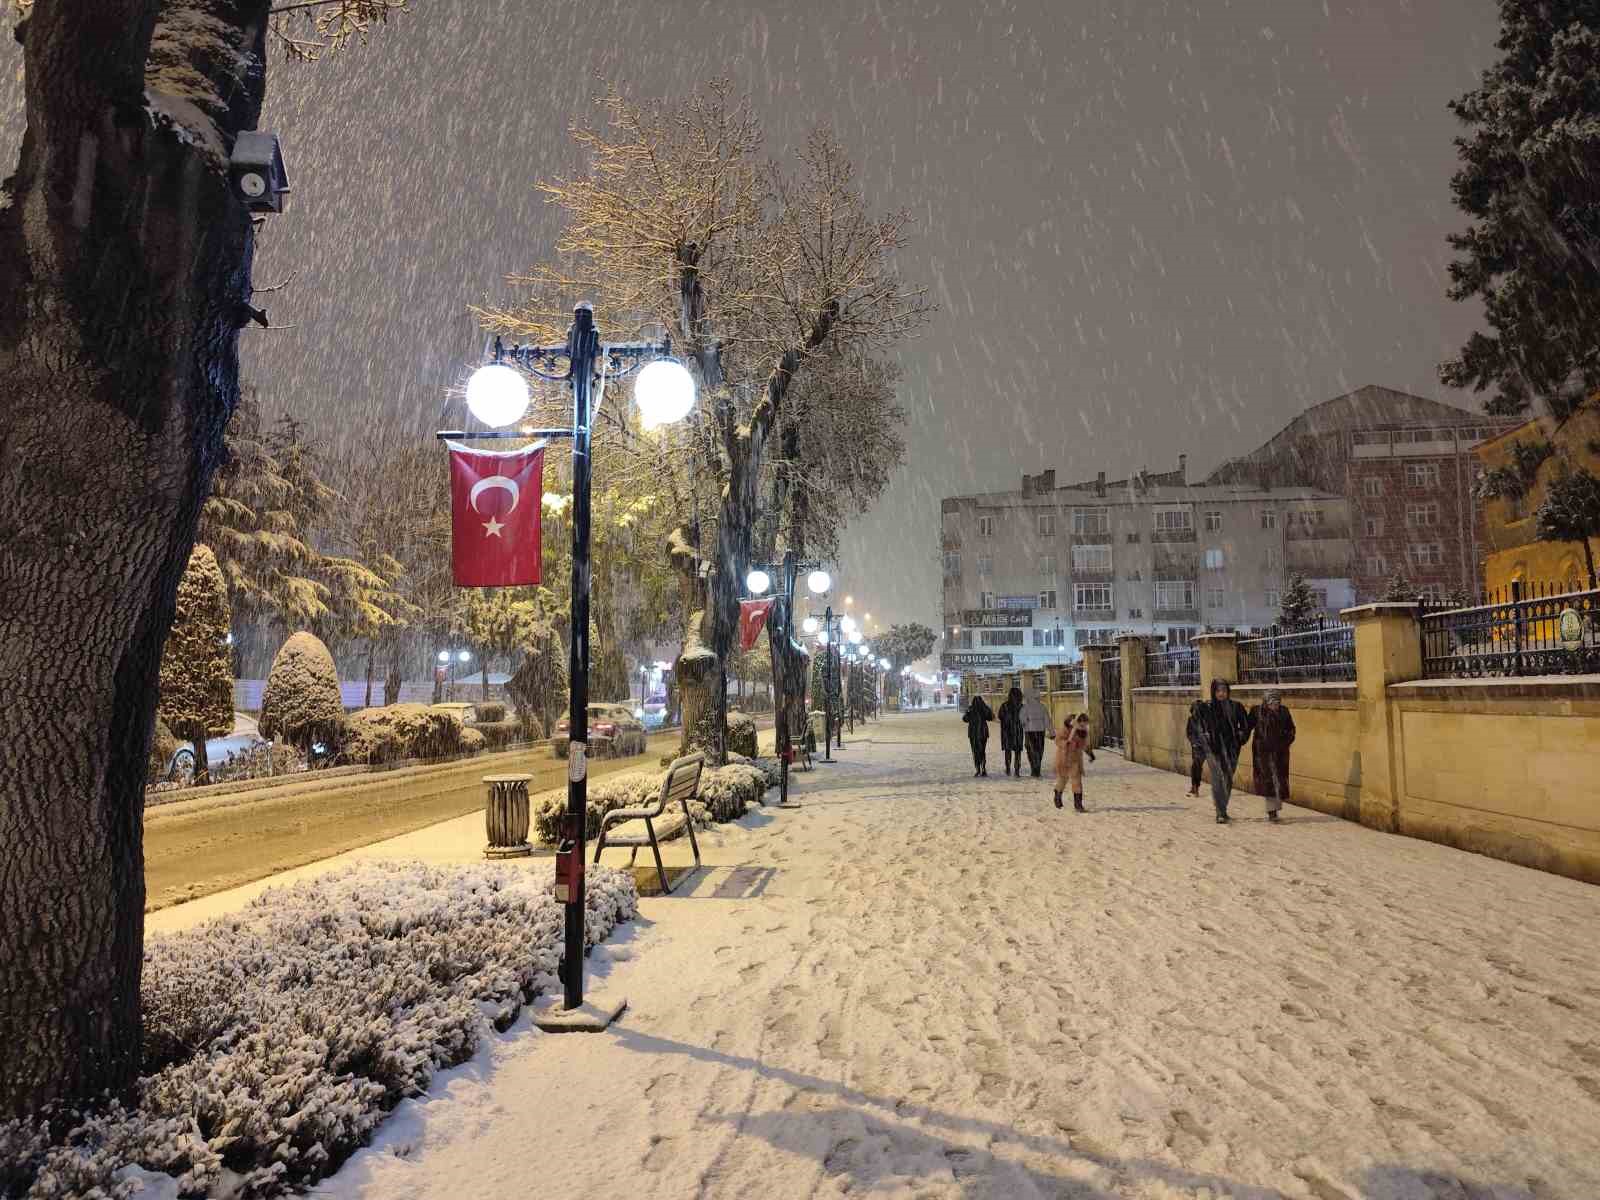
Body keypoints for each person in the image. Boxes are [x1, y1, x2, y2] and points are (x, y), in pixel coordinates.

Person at [1196, 678, 1253, 824]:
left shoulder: (1236, 707)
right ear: (1213, 692)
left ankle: (1223, 809)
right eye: (1218, 691)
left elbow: (1245, 726)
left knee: (1227, 779)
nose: (1221, 694)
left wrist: (1240, 737)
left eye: (1224, 691)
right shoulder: (1206, 708)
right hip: (1213, 750)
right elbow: (1198, 726)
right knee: (1217, 779)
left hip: (1231, 749)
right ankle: (1220, 812)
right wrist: (1205, 739)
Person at [1249, 690, 1296, 823]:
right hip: (1263, 753)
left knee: (1278, 780)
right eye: (1272, 703)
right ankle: (1272, 812)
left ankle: (1274, 810)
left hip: (1280, 752)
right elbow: (1247, 726)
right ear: (1266, 702)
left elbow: (1291, 729)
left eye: (1277, 703)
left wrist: (1286, 742)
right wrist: (1239, 737)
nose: (1275, 706)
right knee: (1269, 780)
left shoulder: (1284, 712)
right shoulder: (1258, 712)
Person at [1051, 711, 1096, 811]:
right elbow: (1057, 740)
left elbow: (1084, 744)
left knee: (1077, 782)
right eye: (1082, 723)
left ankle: (1078, 805)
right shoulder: (1066, 728)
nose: (1084, 725)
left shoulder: (1083, 732)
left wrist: (1090, 753)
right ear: (1078, 721)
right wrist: (1066, 743)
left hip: (1075, 760)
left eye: (1085, 723)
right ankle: (1057, 796)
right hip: (1063, 758)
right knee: (1062, 780)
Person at [963, 693, 994, 776]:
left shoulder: (971, 709)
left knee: (975, 751)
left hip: (973, 734)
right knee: (982, 751)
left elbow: (965, 719)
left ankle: (978, 769)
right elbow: (991, 717)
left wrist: (967, 712)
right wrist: (987, 708)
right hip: (983, 733)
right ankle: (983, 768)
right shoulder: (984, 709)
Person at [1021, 690, 1051, 777]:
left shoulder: (1026, 708)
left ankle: (1033, 767)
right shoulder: (1042, 707)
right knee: (1039, 749)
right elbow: (1047, 720)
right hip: (1040, 731)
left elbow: (1022, 719)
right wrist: (1051, 732)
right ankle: (1037, 767)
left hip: (1029, 731)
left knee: (1030, 749)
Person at [997, 686, 1025, 776]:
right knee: (1017, 752)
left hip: (1007, 732)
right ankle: (1017, 770)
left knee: (1007, 751)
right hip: (1017, 732)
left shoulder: (1004, 705)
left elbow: (999, 716)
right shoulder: (1021, 706)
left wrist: (1006, 720)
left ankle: (1008, 769)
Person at [1183, 700, 1206, 797]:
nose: (1196, 712)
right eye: (1195, 710)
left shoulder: (1207, 720)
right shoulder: (1191, 720)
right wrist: (1194, 742)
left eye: (1198, 710)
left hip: (1206, 747)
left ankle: (1195, 786)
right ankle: (1194, 786)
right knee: (1196, 766)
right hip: (1196, 747)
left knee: (1198, 766)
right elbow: (1189, 733)